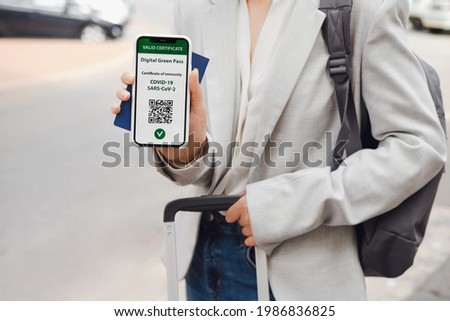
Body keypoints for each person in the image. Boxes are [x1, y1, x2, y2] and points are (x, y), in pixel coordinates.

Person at [112, 0, 447, 300]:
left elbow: (417, 146)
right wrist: (183, 149)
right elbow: (208, 168)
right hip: (200, 257)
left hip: (302, 277)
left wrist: (286, 204)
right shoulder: (195, 7)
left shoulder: (363, 6)